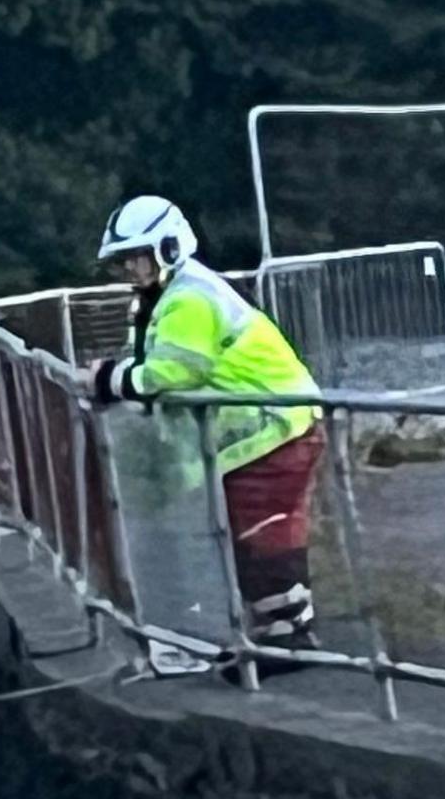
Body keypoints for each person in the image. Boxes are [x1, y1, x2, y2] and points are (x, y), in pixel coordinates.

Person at [87, 195, 326, 648]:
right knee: (258, 532)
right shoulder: (176, 295)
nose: (129, 271)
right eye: (123, 261)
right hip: (272, 428)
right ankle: (277, 632)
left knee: (263, 533)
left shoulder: (188, 299)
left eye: (136, 258)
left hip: (273, 430)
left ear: (169, 248)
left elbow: (173, 371)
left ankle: (287, 638)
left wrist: (106, 379)